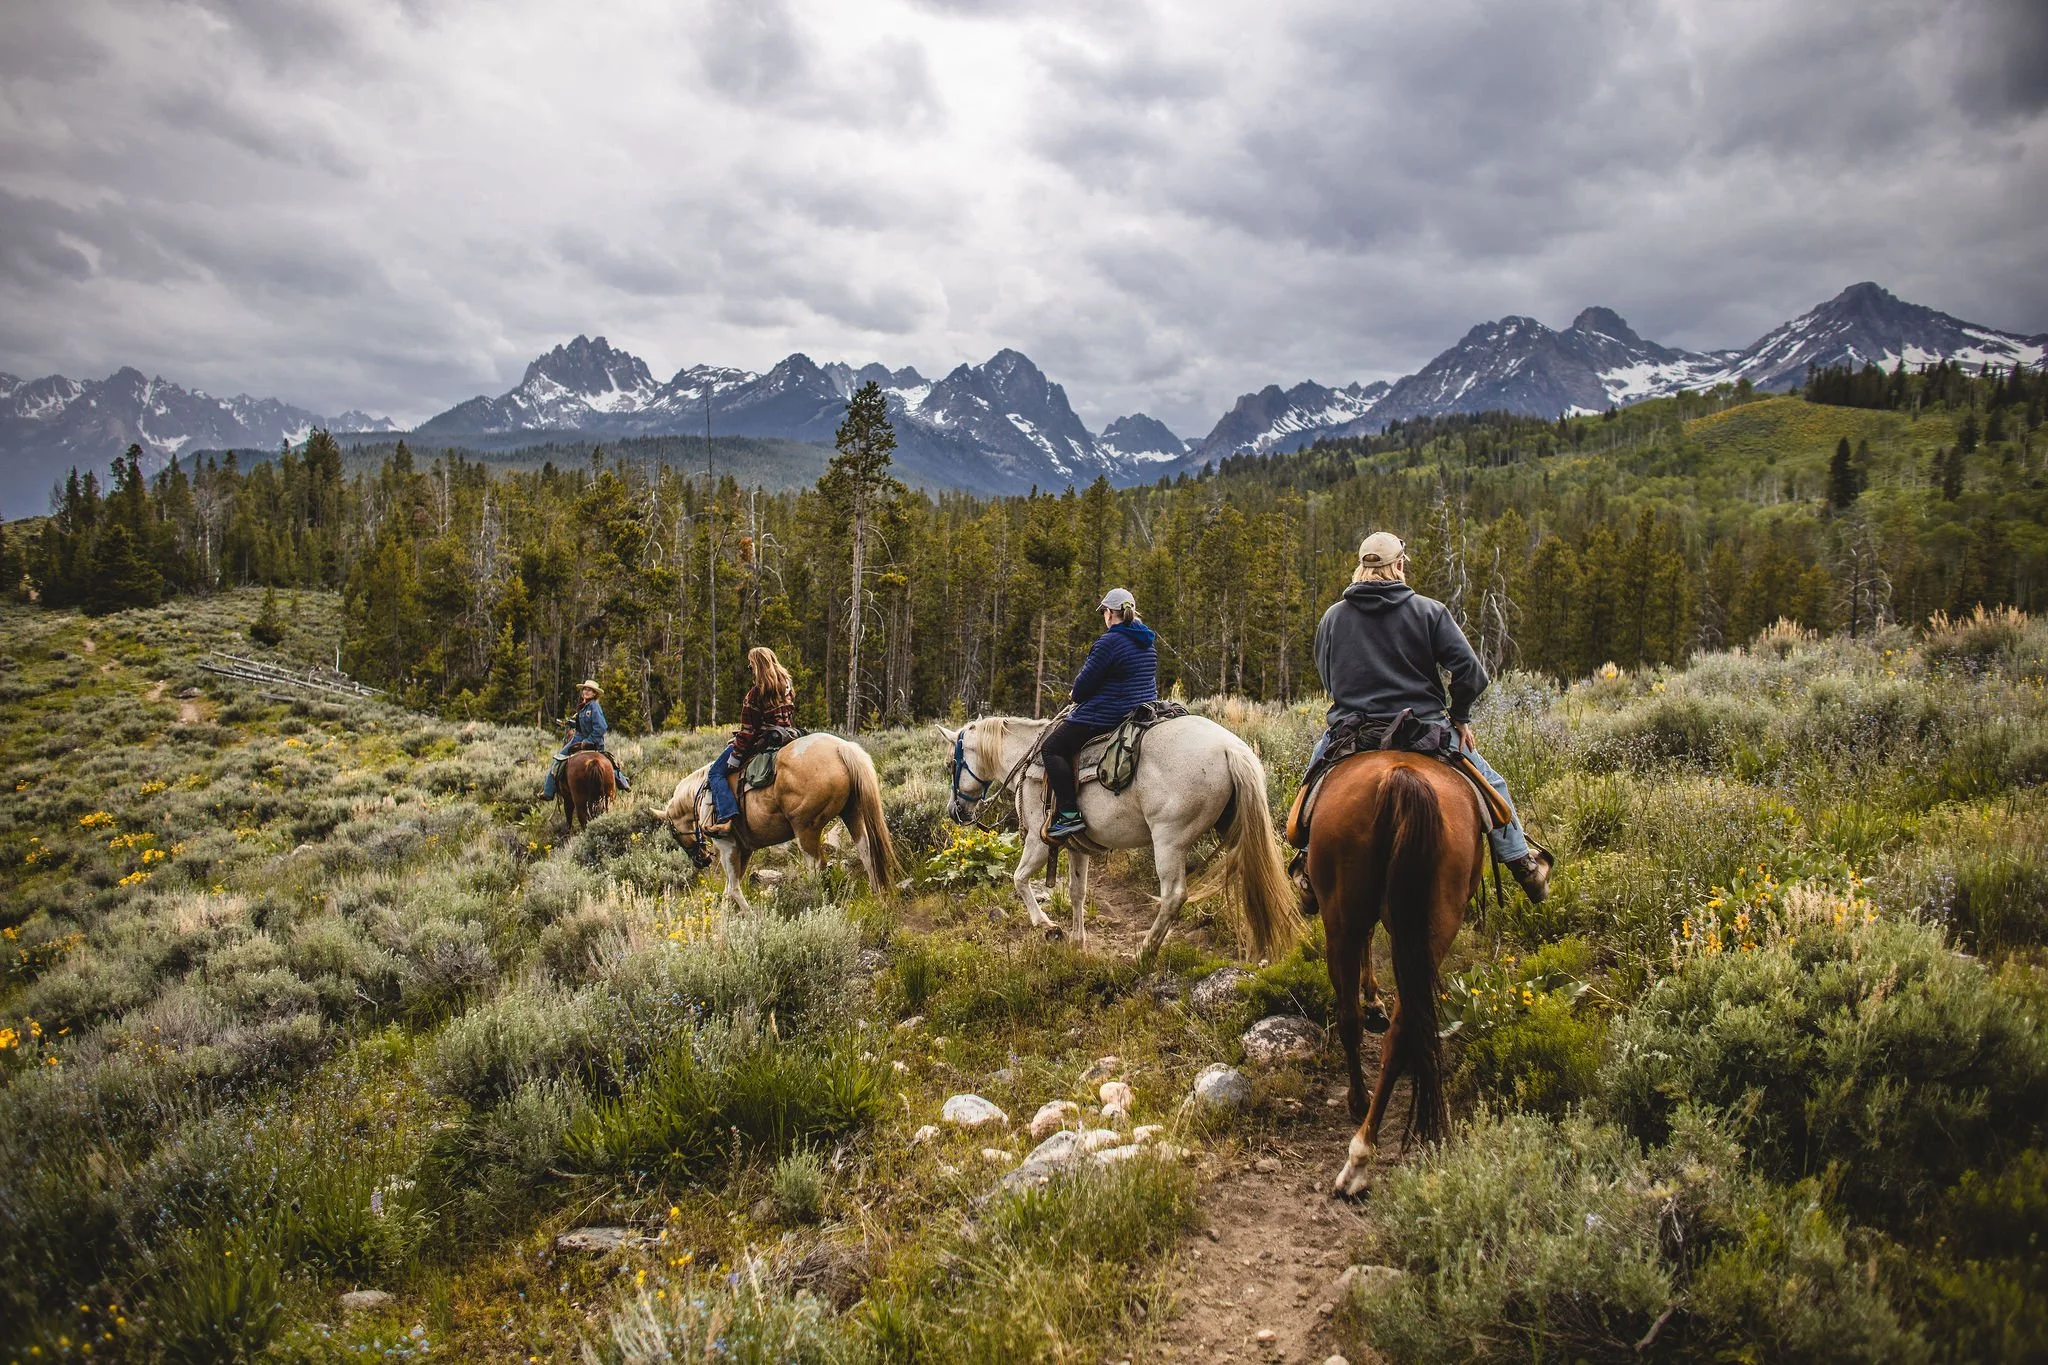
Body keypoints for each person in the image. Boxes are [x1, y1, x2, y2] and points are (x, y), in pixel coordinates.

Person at [1308, 532, 1550, 901]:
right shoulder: (1428, 611)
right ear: (1399, 565)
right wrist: (1460, 716)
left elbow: (1327, 673)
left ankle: (1308, 864)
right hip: (1425, 729)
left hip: (1355, 731)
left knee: (1314, 783)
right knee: (1491, 785)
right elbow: (1471, 672)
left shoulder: (1333, 617)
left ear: (1361, 567)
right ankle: (1522, 864)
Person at [1043, 588, 1159, 840]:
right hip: (1141, 712)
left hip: (1109, 715)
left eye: (1104, 611)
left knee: (1052, 748)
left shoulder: (1108, 642)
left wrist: (1074, 694)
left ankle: (1069, 815)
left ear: (1109, 613)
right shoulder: (1147, 640)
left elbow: (1084, 689)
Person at [705, 646, 797, 836]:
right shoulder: (788, 687)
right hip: (785, 737)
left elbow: (748, 732)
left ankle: (727, 818)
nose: (750, 669)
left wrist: (736, 757)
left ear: (758, 667)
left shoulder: (755, 695)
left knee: (715, 773)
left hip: (762, 742)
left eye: (751, 666)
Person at [545, 679, 628, 797]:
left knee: (558, 759)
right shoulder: (583, 707)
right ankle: (623, 782)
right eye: (585, 689)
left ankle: (547, 791)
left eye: (590, 690)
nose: (586, 691)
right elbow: (582, 725)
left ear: (594, 693)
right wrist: (571, 723)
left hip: (591, 742)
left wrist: (587, 741)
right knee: (609, 761)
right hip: (580, 739)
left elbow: (601, 727)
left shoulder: (594, 706)